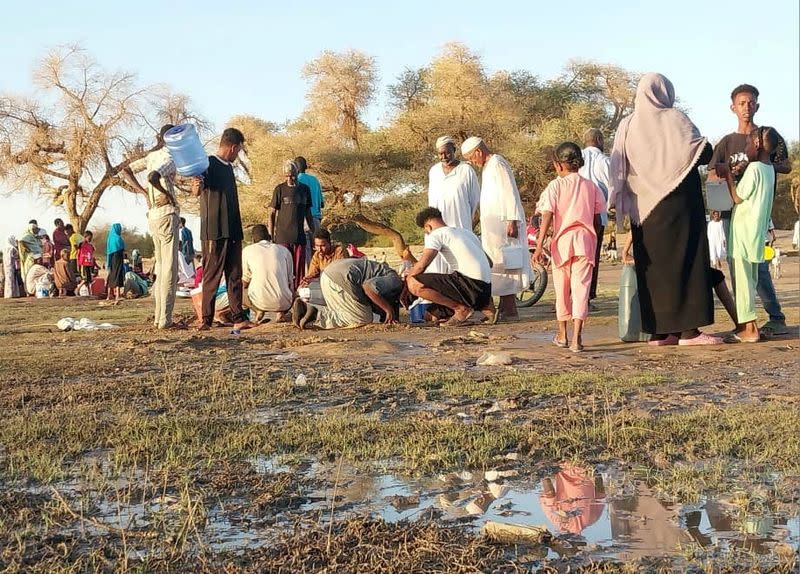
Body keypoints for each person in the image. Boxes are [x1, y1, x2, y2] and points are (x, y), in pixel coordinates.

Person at [609, 73, 721, 346]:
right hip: (678, 205)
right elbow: (703, 153)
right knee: (686, 262)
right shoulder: (674, 118)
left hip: (644, 209)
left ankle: (660, 333)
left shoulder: (628, 125)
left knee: (653, 270)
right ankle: (688, 332)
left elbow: (618, 166)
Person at [707, 84, 791, 338]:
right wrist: (731, 172)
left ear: (757, 105)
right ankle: (745, 321)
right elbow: (712, 172)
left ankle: (773, 317)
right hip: (734, 212)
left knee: (759, 267)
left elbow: (785, 164)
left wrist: (759, 164)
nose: (747, 106)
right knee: (739, 268)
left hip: (756, 208)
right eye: (742, 103)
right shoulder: (727, 142)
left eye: (751, 101)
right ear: (733, 107)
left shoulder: (767, 137)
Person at [534, 142, 606, 352]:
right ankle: (577, 339)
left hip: (562, 243)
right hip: (585, 242)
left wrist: (539, 245)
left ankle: (562, 335)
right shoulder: (590, 186)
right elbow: (598, 218)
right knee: (581, 289)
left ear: (558, 165)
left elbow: (547, 215)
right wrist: (592, 239)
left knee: (562, 291)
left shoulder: (555, 186)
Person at [188, 127, 253, 331]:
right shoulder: (208, 164)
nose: (238, 154)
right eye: (239, 150)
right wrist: (196, 185)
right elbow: (196, 190)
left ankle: (239, 317)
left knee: (234, 275)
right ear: (233, 147)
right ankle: (205, 320)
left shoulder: (229, 168)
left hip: (233, 229)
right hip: (214, 231)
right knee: (212, 275)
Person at [718, 127, 778, 343]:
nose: (745, 149)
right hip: (757, 233)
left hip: (744, 232)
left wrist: (727, 175)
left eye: (747, 144)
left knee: (743, 281)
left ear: (757, 145)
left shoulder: (753, 169)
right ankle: (750, 325)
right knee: (750, 280)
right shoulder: (769, 169)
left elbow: (737, 197)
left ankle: (749, 330)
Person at [461, 137, 531, 322]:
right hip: (494, 228)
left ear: (478, 151)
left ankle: (510, 310)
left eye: (471, 157)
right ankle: (506, 308)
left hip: (505, 226)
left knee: (508, 264)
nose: (472, 162)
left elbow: (510, 192)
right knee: (499, 265)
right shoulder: (488, 167)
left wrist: (512, 220)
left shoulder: (497, 163)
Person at [128, 124, 182, 329]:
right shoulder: (170, 157)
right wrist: (167, 195)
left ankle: (160, 317)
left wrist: (145, 193)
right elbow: (154, 177)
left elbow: (126, 170)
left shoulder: (152, 156)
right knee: (169, 267)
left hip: (153, 216)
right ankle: (165, 319)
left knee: (161, 267)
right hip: (167, 213)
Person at [404, 207, 495, 325]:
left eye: (425, 231)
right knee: (431, 316)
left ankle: (461, 309)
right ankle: (487, 307)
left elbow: (422, 266)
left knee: (414, 283)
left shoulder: (436, 234)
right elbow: (490, 263)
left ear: (428, 227)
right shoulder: (467, 233)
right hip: (485, 289)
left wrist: (408, 277)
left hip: (469, 286)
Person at [292, 258, 403, 330]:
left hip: (328, 274)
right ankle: (316, 316)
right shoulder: (395, 280)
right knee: (363, 318)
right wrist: (388, 309)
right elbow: (369, 287)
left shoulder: (381, 270)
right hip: (342, 278)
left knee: (346, 310)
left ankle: (306, 310)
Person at [426, 136, 481, 274]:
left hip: (460, 224)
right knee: (437, 265)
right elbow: (431, 200)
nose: (444, 156)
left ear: (454, 150)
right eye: (440, 153)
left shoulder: (466, 170)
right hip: (436, 226)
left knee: (461, 265)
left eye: (447, 152)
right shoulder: (434, 171)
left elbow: (474, 201)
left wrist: (466, 222)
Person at [268, 160, 315, 290]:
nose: (289, 178)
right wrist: (271, 236)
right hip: (282, 238)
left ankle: (296, 300)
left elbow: (309, 215)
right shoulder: (279, 189)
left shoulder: (305, 189)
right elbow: (271, 214)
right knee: (283, 271)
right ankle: (284, 298)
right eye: (287, 176)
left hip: (299, 238)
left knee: (298, 272)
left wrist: (314, 235)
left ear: (297, 173)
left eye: (292, 175)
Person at [579, 128, 611, 301]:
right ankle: (588, 294)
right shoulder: (604, 161)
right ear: (599, 139)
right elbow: (612, 188)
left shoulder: (576, 158)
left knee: (578, 255)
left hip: (576, 214)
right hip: (597, 215)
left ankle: (574, 294)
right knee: (592, 256)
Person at [242, 224, 294, 324]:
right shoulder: (284, 250)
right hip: (285, 302)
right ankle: (280, 314)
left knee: (237, 291)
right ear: (269, 238)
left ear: (253, 239)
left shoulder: (247, 250)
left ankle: (258, 311)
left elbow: (245, 280)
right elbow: (290, 280)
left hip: (259, 301)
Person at [295, 156, 324, 266]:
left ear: (295, 168)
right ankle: (321, 271)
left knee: (306, 249)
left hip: (304, 218)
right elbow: (322, 203)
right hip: (316, 218)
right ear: (306, 166)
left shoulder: (297, 180)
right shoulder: (315, 180)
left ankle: (310, 274)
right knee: (318, 247)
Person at [105, 223, 125, 302]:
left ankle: (109, 295)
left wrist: (108, 263)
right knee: (118, 275)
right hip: (119, 258)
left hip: (112, 258)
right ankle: (117, 295)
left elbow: (109, 252)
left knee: (111, 275)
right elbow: (123, 249)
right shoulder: (119, 239)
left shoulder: (109, 239)